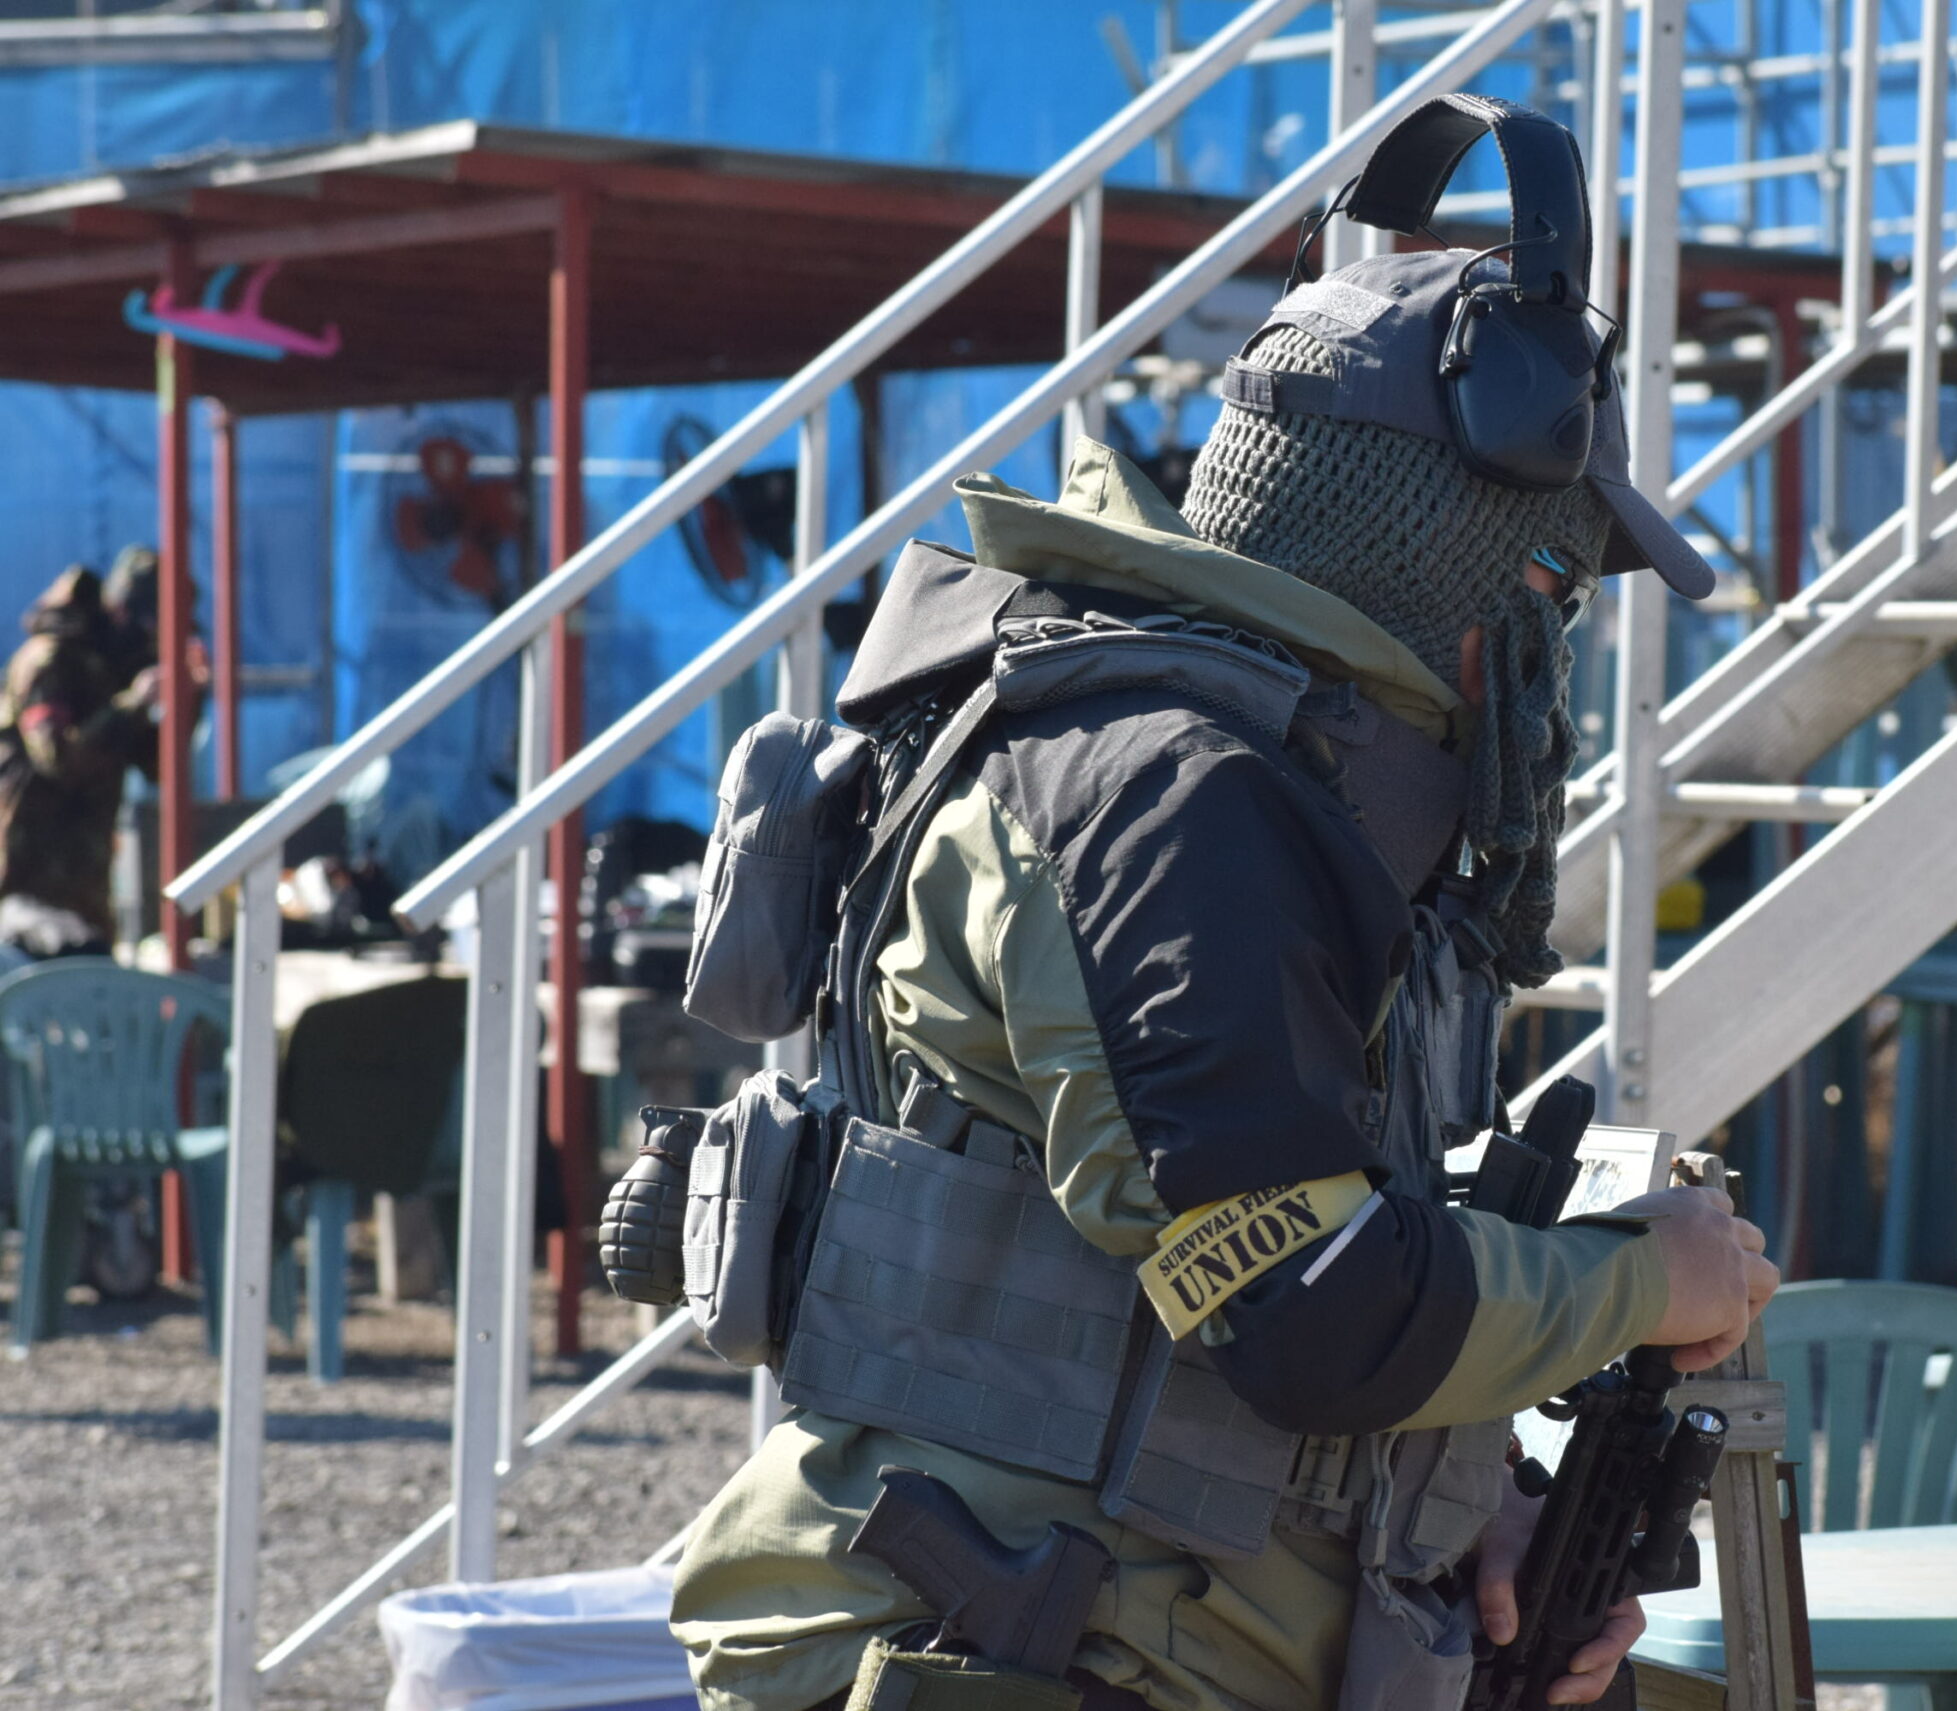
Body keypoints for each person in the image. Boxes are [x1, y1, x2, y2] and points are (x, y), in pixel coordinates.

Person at [671, 97, 1780, 1711]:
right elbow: (1306, 1307)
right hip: (1027, 1654)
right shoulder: (1179, 802)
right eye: (1550, 582)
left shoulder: (1204, 771)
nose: (1552, 651)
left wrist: (1466, 1508)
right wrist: (1641, 1277)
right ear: (1452, 564)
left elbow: (1194, 1307)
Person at [0, 559, 163, 957]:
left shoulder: (108, 667)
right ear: (121, 612)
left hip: (85, 883)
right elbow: (57, 757)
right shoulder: (49, 661)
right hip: (30, 880)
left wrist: (183, 701)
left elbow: (157, 766)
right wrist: (133, 705)